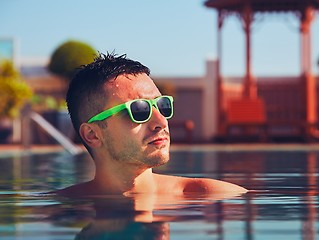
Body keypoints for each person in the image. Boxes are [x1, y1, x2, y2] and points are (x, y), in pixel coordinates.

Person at [55, 52, 247, 197]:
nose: (161, 122)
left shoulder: (215, 197)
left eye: (162, 105)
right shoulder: (59, 209)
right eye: (139, 110)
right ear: (92, 135)